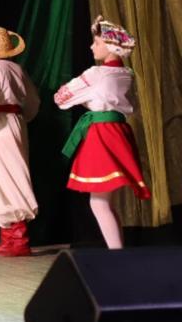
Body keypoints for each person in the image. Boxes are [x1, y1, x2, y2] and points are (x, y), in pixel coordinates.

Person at [53, 15, 150, 249]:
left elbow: (61, 98)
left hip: (102, 134)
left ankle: (117, 254)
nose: (91, 46)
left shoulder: (96, 74)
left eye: (96, 42)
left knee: (98, 201)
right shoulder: (126, 74)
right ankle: (118, 251)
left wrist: (85, 100)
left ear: (110, 46)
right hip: (119, 132)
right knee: (104, 200)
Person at [0, 27, 40, 257]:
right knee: (13, 173)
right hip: (15, 123)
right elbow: (33, 100)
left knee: (3, 177)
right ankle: (9, 238)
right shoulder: (18, 69)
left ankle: (19, 240)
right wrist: (21, 118)